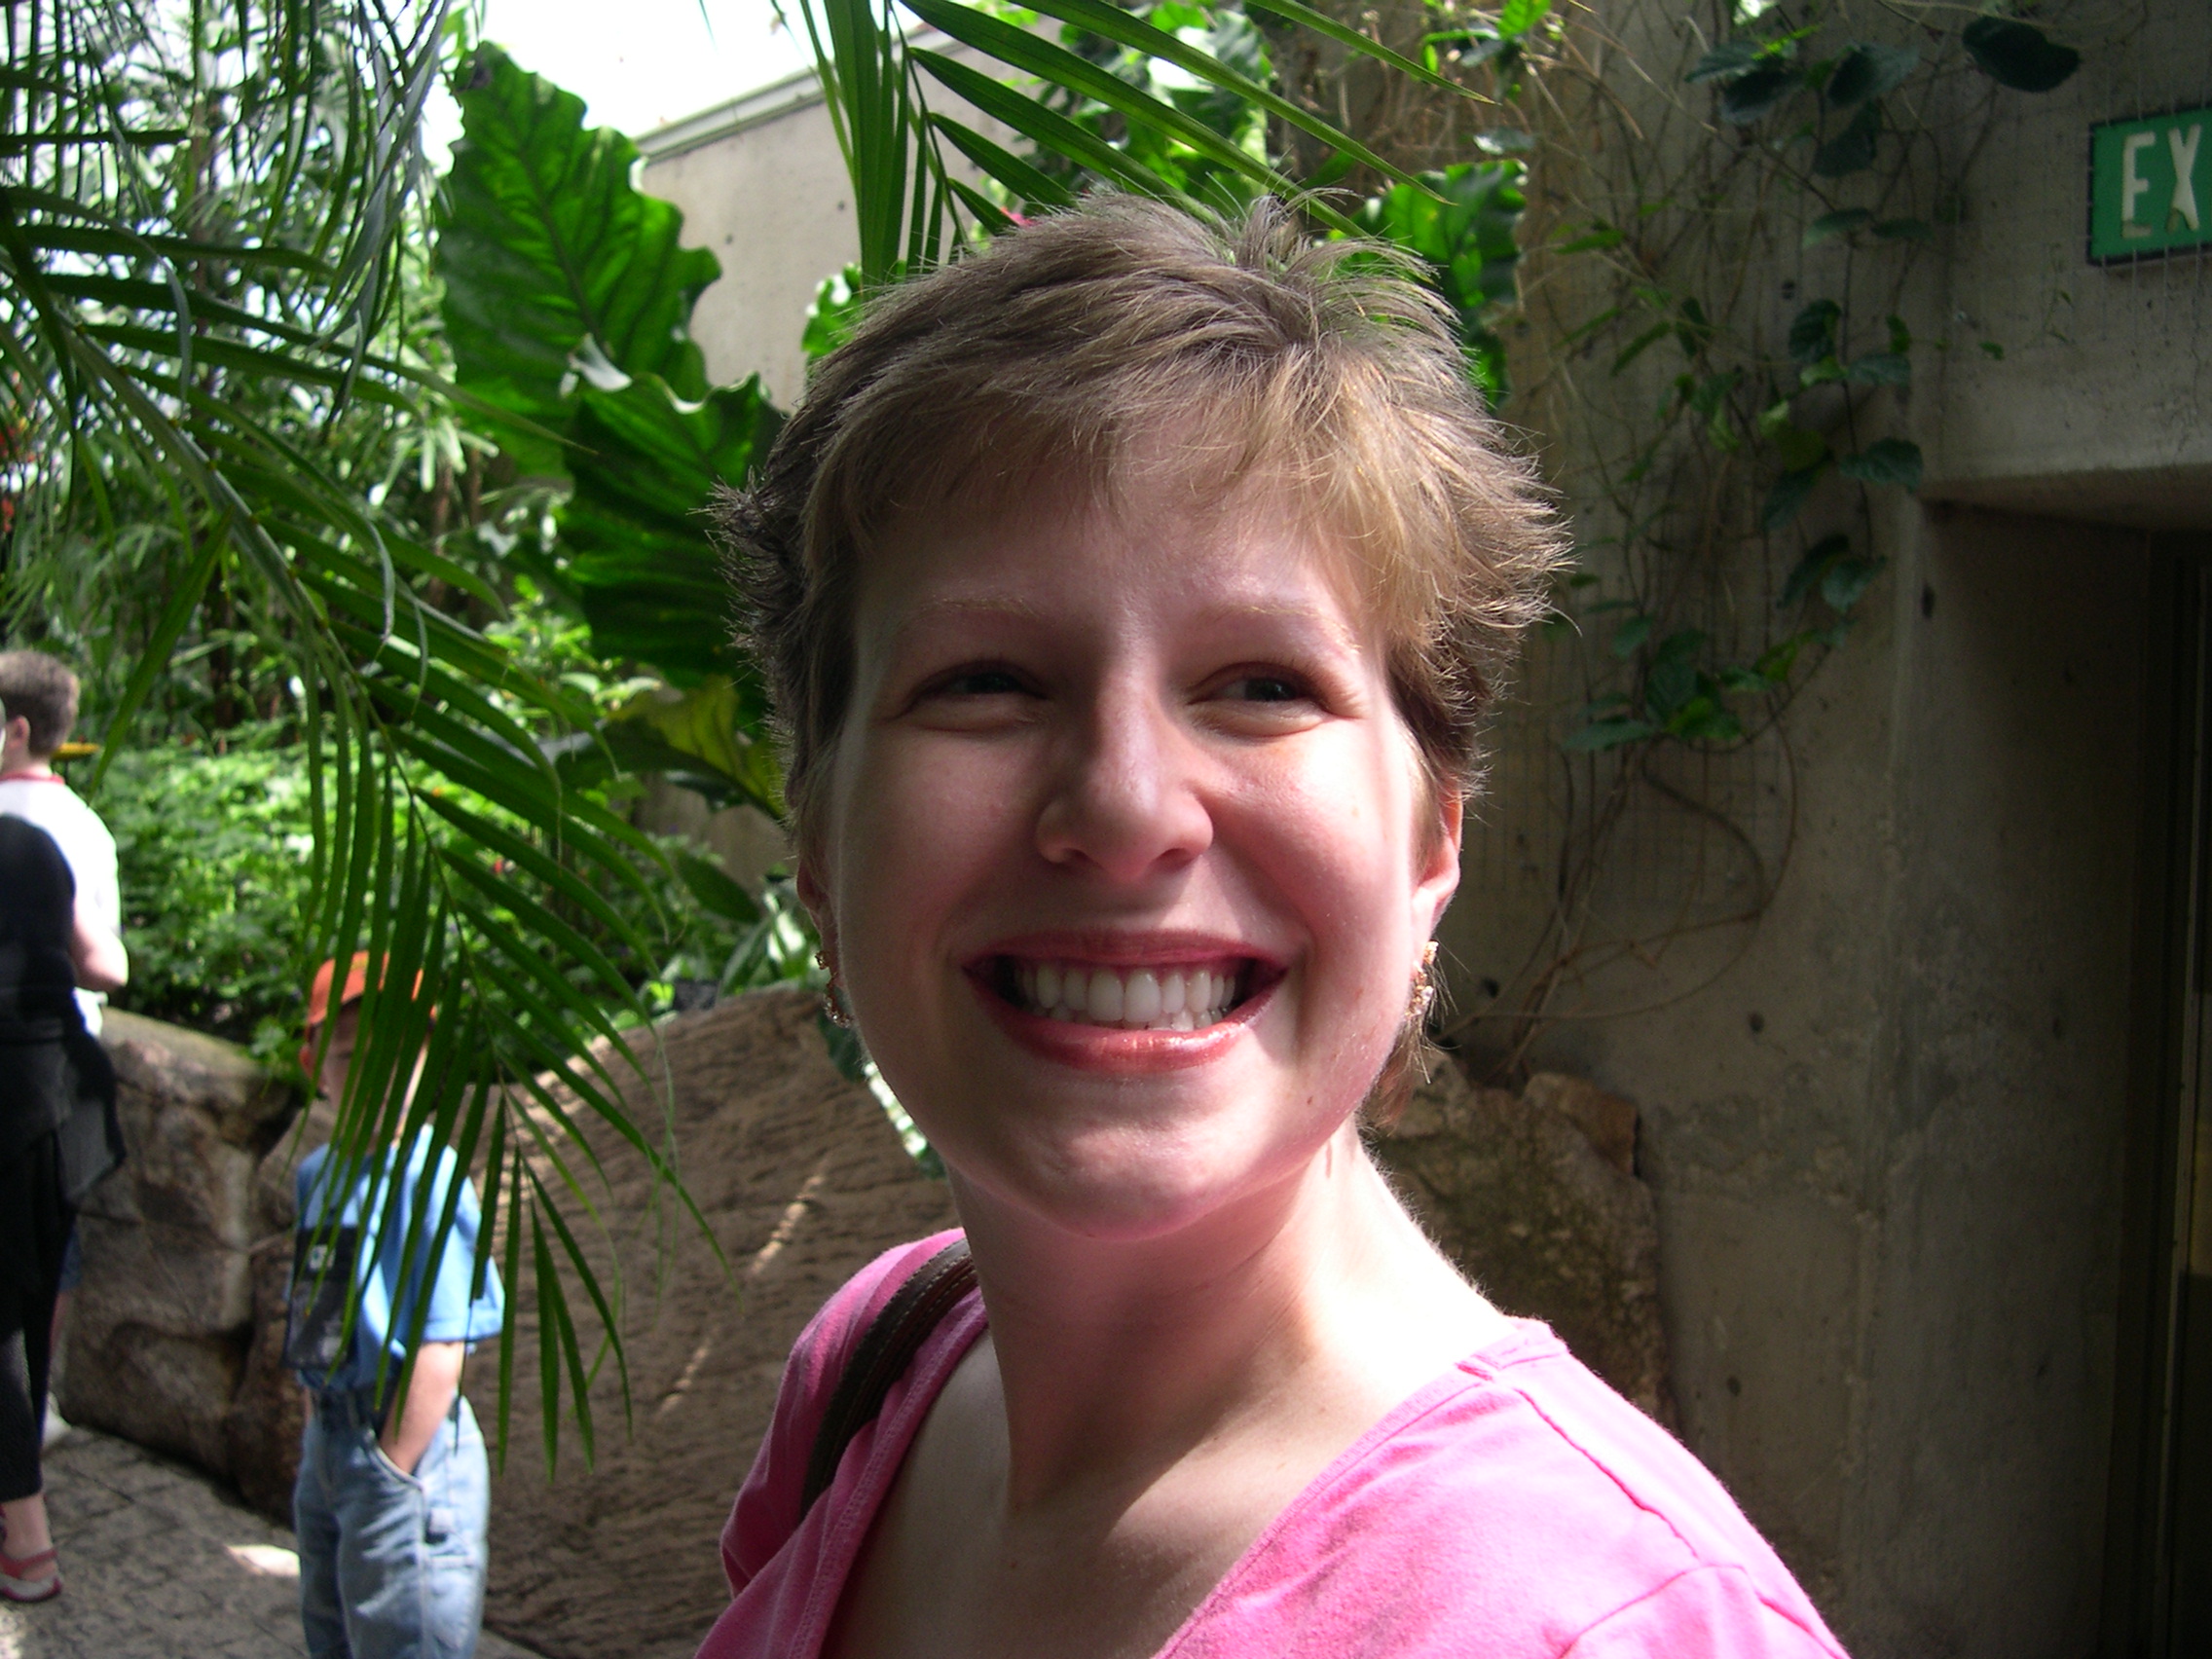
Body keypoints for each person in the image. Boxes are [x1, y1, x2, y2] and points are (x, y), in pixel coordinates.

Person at [694, 199, 1850, 1659]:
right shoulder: (882, 1362)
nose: (1123, 808)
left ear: (1434, 838)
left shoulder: (1608, 1626)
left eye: (1262, 686)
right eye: (985, 679)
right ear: (815, 833)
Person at [287, 953, 504, 1659]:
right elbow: (316, 1308)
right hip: (331, 1440)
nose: (373, 1075)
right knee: (334, 1622)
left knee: (401, 1632)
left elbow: (446, 1346)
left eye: (393, 1054)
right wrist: (316, 1431)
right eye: (351, 1056)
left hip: (406, 1447)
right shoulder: (318, 1175)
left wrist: (394, 1463)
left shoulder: (429, 1179)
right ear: (316, 1067)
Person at [0, 694, 129, 1605]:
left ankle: (28, 1539)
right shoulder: (58, 836)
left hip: (10, 1098)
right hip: (72, 1098)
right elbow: (106, 964)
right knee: (31, 1302)